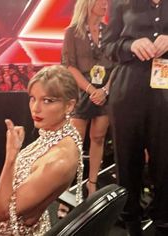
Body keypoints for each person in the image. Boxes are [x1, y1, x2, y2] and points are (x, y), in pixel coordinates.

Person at [0, 65, 84, 235]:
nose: (35, 108)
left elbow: (1, 214)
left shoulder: (59, 160)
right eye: (32, 98)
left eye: (47, 100)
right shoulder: (54, 134)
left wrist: (11, 158)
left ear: (69, 106)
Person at [102, 0, 168, 235]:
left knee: (165, 159)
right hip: (128, 90)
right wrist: (130, 45)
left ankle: (163, 219)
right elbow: (107, 46)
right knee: (128, 159)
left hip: (165, 92)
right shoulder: (121, 3)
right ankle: (130, 221)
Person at [61, 0, 112, 199]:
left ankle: (91, 185)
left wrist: (105, 90)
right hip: (82, 92)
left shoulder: (110, 31)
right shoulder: (72, 32)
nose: (105, 4)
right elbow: (69, 65)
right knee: (74, 142)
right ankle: (65, 192)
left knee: (98, 137)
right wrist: (91, 89)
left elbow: (117, 65)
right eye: (101, 1)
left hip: (105, 92)